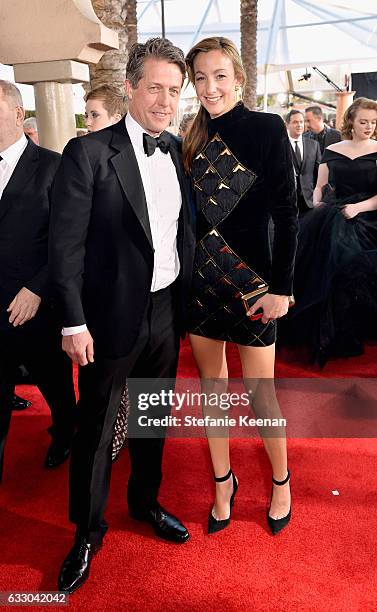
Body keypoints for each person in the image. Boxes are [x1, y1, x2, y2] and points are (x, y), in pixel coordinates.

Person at [49, 38, 195, 594]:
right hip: (108, 317)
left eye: (173, 91)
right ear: (130, 87)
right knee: (97, 425)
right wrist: (72, 322)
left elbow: (178, 232)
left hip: (165, 309)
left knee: (152, 415)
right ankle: (86, 532)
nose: (165, 100)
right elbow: (65, 248)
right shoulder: (88, 153)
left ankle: (145, 502)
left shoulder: (177, 148)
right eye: (155, 87)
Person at [183, 38, 298, 536]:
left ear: (239, 78)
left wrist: (281, 288)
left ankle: (280, 481)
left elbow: (288, 215)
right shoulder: (187, 135)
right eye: (201, 78)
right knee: (213, 390)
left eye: (220, 76)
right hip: (201, 285)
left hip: (255, 285)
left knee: (260, 394)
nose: (210, 87)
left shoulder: (267, 128)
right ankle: (223, 482)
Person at [0, 81, 77, 480]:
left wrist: (38, 288)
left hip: (37, 306)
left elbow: (68, 239)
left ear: (17, 114)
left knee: (56, 385)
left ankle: (65, 432)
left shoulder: (53, 165)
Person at [282, 97, 377, 364]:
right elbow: (320, 186)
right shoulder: (333, 149)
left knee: (355, 273)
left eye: (373, 122)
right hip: (334, 215)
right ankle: (331, 338)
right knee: (324, 272)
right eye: (363, 121)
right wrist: (317, 202)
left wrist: (358, 208)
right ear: (351, 121)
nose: (368, 127)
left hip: (368, 217)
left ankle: (356, 331)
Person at [286, 109, 321, 214]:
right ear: (287, 125)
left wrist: (317, 197)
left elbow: (319, 173)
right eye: (295, 122)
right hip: (287, 201)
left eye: (301, 122)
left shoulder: (314, 145)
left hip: (309, 202)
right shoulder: (281, 145)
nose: (299, 125)